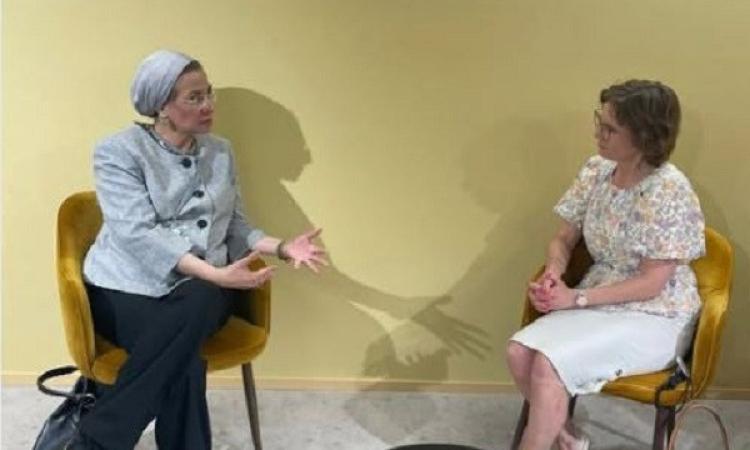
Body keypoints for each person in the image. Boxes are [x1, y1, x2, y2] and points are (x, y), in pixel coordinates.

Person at [68, 50, 327, 450]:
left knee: (200, 299)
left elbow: (235, 225)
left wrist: (282, 247)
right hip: (126, 287)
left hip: (200, 293)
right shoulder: (118, 151)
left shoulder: (220, 151)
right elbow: (137, 233)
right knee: (185, 360)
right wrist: (215, 274)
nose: (208, 105)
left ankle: (96, 439)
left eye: (209, 93)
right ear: (161, 106)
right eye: (194, 97)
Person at [506, 80, 705, 450]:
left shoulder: (669, 189)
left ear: (645, 135)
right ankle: (569, 441)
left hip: (656, 313)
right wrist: (553, 274)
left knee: (548, 365)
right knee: (519, 352)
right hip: (598, 297)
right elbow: (563, 238)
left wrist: (576, 299)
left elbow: (652, 283)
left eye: (610, 128)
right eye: (600, 121)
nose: (599, 133)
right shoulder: (596, 170)